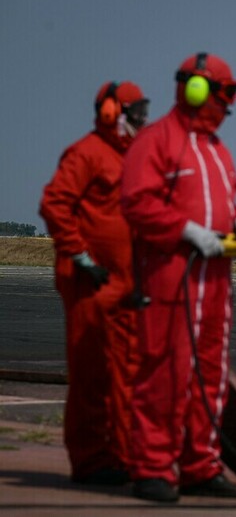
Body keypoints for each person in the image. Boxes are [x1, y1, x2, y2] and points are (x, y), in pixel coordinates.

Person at [120, 52, 236, 502]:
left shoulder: (217, 150)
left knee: (211, 373)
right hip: (172, 276)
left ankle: (201, 465)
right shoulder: (157, 141)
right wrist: (184, 231)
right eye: (224, 94)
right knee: (165, 371)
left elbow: (226, 201)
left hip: (216, 280)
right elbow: (138, 203)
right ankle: (154, 469)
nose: (227, 105)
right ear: (198, 90)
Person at [39, 81, 150, 485]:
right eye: (135, 112)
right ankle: (90, 462)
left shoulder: (130, 158)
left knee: (122, 372)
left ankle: (118, 456)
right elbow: (54, 204)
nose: (142, 119)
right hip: (88, 281)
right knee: (91, 374)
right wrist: (79, 254)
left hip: (120, 282)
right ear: (110, 113)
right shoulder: (87, 153)